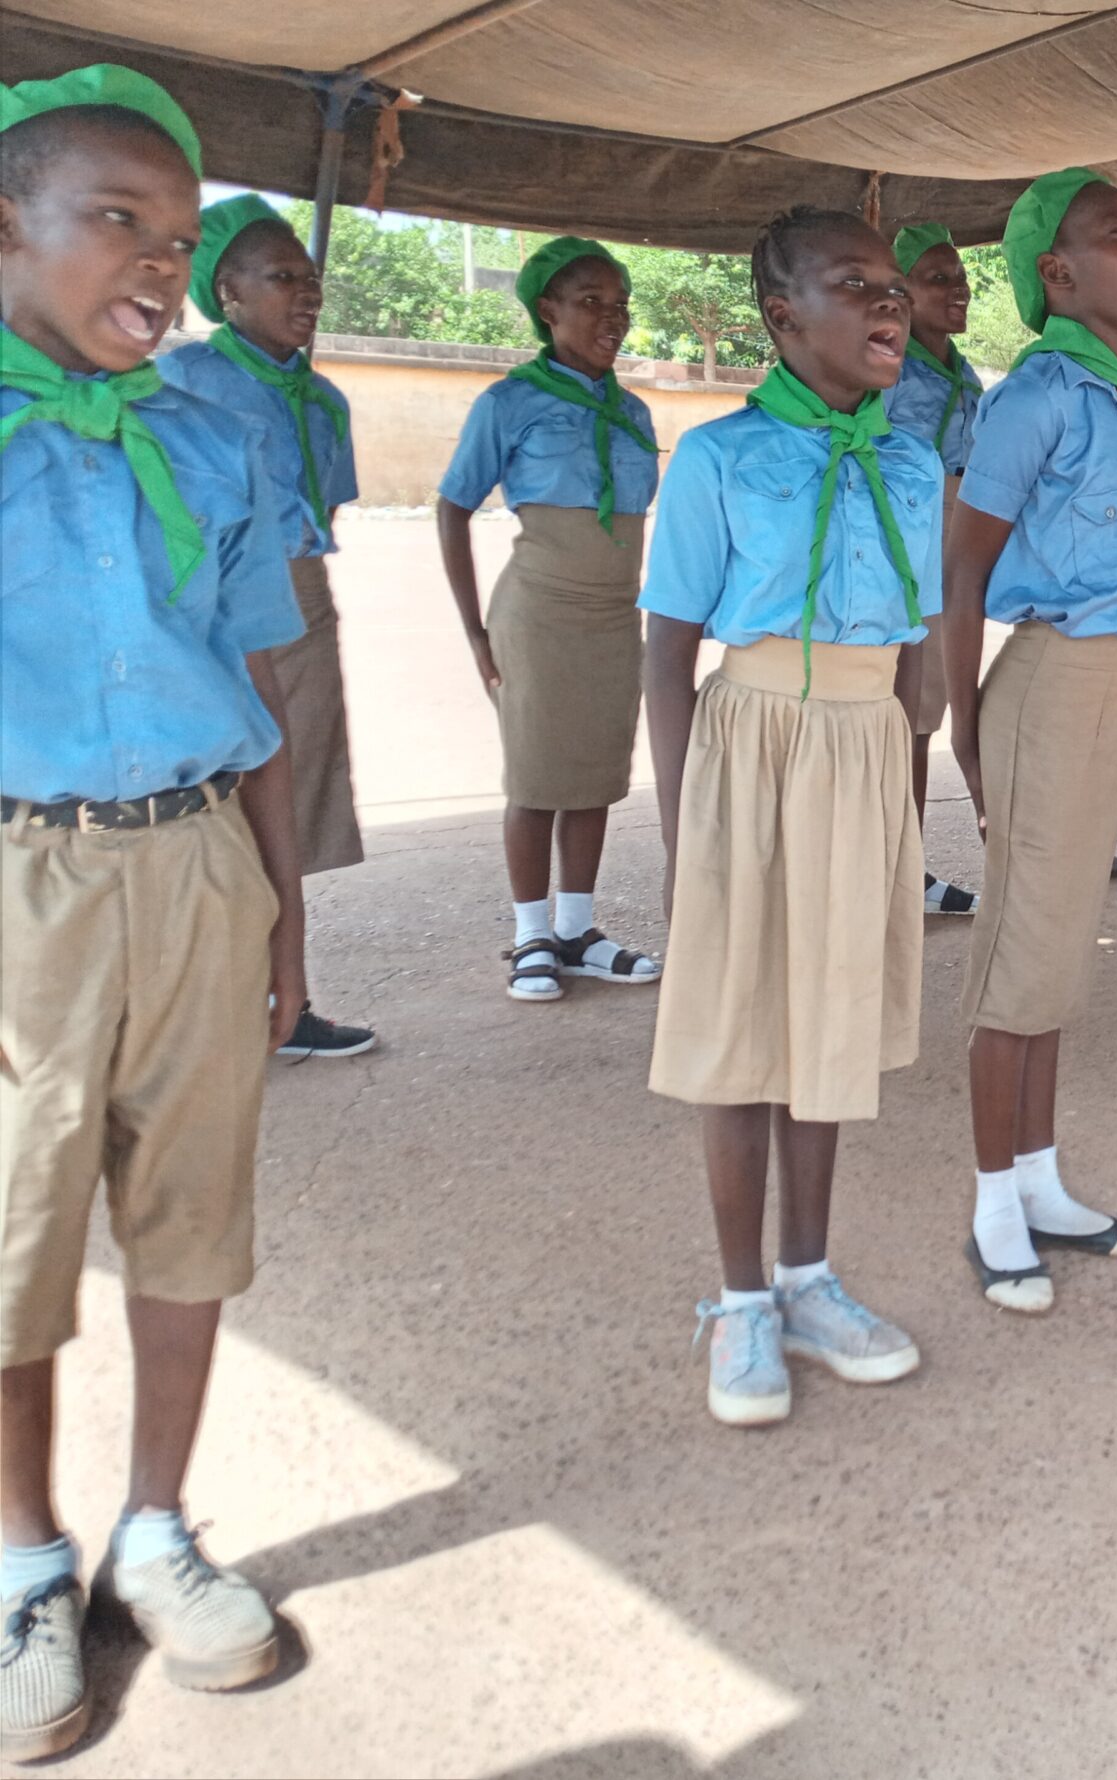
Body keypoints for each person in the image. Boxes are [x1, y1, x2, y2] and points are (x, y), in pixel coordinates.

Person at [1, 66, 306, 1755]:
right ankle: (23, 1563)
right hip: (15, 869)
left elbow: (256, 675)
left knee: (188, 1216)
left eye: (180, 240)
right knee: (13, 1234)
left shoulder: (214, 430)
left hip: (196, 855)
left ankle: (156, 1531)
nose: (160, 268)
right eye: (117, 221)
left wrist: (279, 913)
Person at [640, 207, 933, 1426]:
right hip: (753, 740)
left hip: (864, 750)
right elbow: (665, 646)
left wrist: (907, 793)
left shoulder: (915, 462)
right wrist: (677, 832)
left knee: (831, 1018)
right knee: (743, 1024)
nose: (887, 304)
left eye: (894, 288)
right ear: (781, 316)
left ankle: (811, 1278)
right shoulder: (718, 458)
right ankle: (740, 1299)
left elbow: (916, 650)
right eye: (852, 284)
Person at [945, 169, 1117, 1311]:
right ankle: (995, 1209)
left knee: (1062, 942)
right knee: (1019, 952)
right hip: (1047, 681)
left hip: (1110, 685)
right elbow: (961, 563)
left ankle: (1040, 1182)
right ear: (1057, 274)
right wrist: (958, 729)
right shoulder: (1038, 395)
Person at [156, 194, 375, 1057]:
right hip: (208, 610)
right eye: (282, 276)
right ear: (228, 292)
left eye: (311, 277)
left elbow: (325, 508)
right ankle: (213, 1003)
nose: (306, 291)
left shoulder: (322, 399)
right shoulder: (184, 383)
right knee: (207, 804)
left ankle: (286, 1000)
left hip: (301, 599)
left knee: (287, 803)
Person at [436, 236, 664, 1002]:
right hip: (538, 612)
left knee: (596, 775)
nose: (613, 317)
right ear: (547, 311)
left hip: (612, 616)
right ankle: (531, 934)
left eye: (620, 303)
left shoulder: (631, 410)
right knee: (535, 778)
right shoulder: (510, 402)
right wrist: (474, 630)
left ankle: (577, 929)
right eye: (591, 301)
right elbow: (452, 506)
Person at [882, 221, 983, 915]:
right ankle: (895, 873)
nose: (958, 290)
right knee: (905, 717)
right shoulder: (887, 367)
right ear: (902, 292)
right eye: (937, 278)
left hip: (950, 541)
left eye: (960, 278)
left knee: (925, 710)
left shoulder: (961, 372)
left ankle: (904, 869)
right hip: (904, 542)